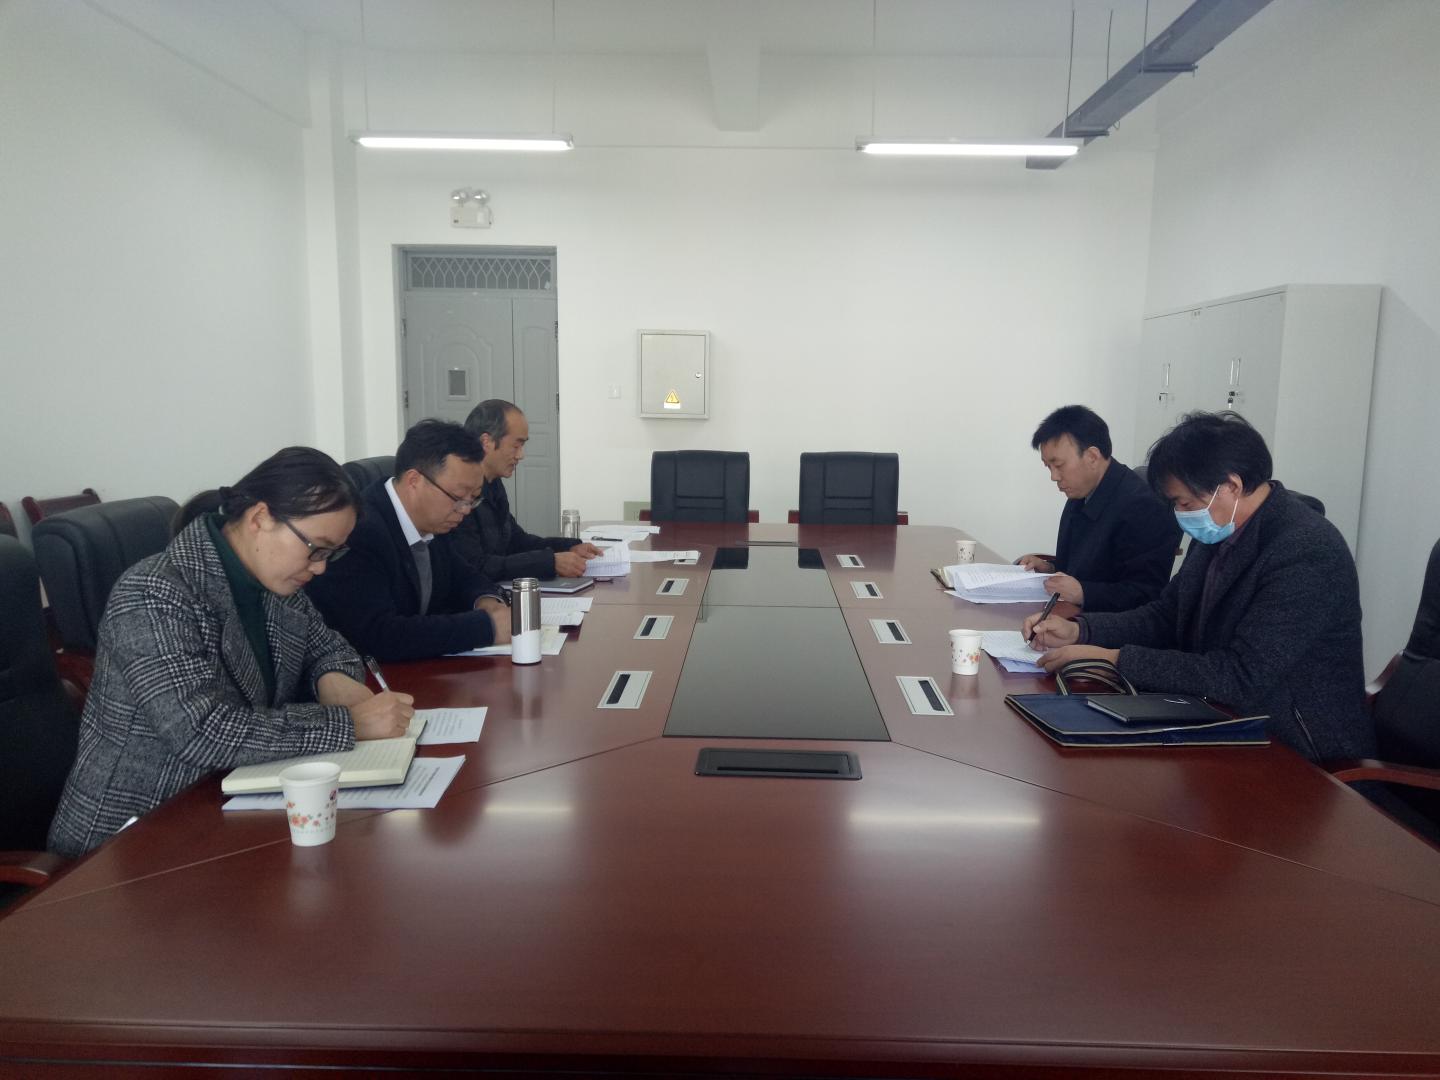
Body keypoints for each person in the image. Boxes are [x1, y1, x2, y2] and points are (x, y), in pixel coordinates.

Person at [48, 447, 415, 858]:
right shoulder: (155, 593)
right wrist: (349, 723)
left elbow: (332, 648)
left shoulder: (274, 584)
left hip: (228, 805)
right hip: (130, 839)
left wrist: (335, 680)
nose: (321, 567)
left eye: (332, 553)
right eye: (316, 548)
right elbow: (201, 732)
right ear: (260, 518)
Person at [1024, 411, 1374, 763]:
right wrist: (1080, 630)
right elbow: (1166, 615)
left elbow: (1240, 676)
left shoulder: (1305, 550)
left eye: (1185, 503)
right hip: (1218, 715)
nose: (1180, 514)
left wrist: (1114, 659)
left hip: (1297, 748)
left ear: (1231, 486)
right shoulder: (1218, 529)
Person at [307, 419, 511, 662]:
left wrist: (487, 601)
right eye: (458, 497)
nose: (465, 509)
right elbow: (378, 635)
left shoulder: (435, 521)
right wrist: (485, 628)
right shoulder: (359, 531)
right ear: (414, 480)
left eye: (473, 498)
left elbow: (463, 575)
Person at [1016, 404, 1180, 612]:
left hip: (1105, 625)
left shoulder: (1143, 506)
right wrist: (1049, 569)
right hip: (1074, 616)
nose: (1054, 477)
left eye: (1059, 465)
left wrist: (1084, 592)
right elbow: (1087, 567)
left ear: (1092, 457)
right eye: (1048, 467)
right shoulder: (1081, 492)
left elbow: (1147, 594)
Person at [452, 399, 603, 581]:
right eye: (516, 446)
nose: (521, 455)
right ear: (486, 442)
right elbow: (476, 566)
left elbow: (516, 541)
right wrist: (549, 562)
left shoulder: (493, 483)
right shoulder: (459, 493)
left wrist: (568, 547)